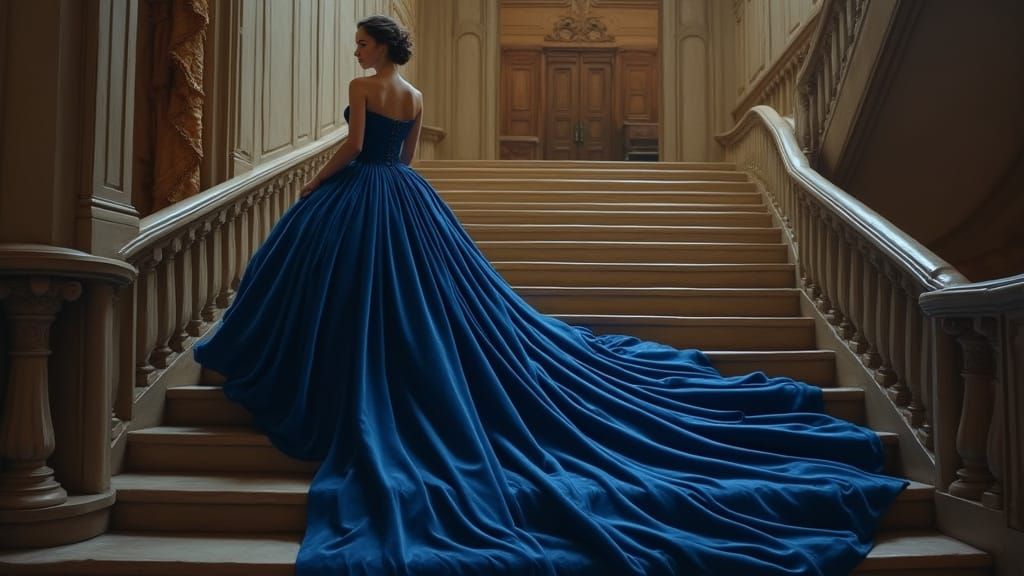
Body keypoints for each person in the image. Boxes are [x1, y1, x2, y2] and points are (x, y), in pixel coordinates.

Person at [193, 14, 907, 576]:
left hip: (362, 196)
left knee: (351, 289)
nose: (355, 53)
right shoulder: (413, 95)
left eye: (359, 43)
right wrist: (391, 180)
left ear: (379, 46)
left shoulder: (364, 90)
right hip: (406, 196)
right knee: (416, 301)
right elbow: (405, 157)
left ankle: (328, 371)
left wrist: (318, 184)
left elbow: (354, 147)